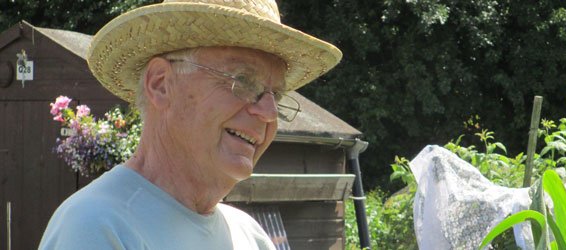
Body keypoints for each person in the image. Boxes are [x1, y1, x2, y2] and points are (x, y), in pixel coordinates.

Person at [38, 0, 342, 249]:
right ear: (160, 84)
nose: (268, 112)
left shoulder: (251, 236)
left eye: (275, 94)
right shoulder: (97, 226)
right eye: (243, 80)